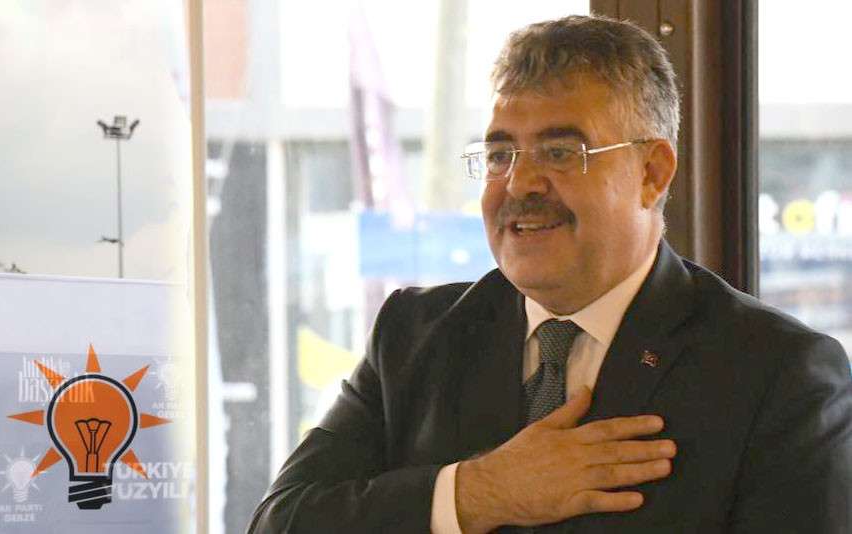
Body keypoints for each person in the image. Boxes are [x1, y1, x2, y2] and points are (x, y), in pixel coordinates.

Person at [248, 14, 852, 533]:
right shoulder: (413, 338)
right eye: (499, 155)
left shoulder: (776, 374)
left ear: (652, 173)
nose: (520, 184)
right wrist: (477, 493)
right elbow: (281, 521)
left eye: (561, 152)